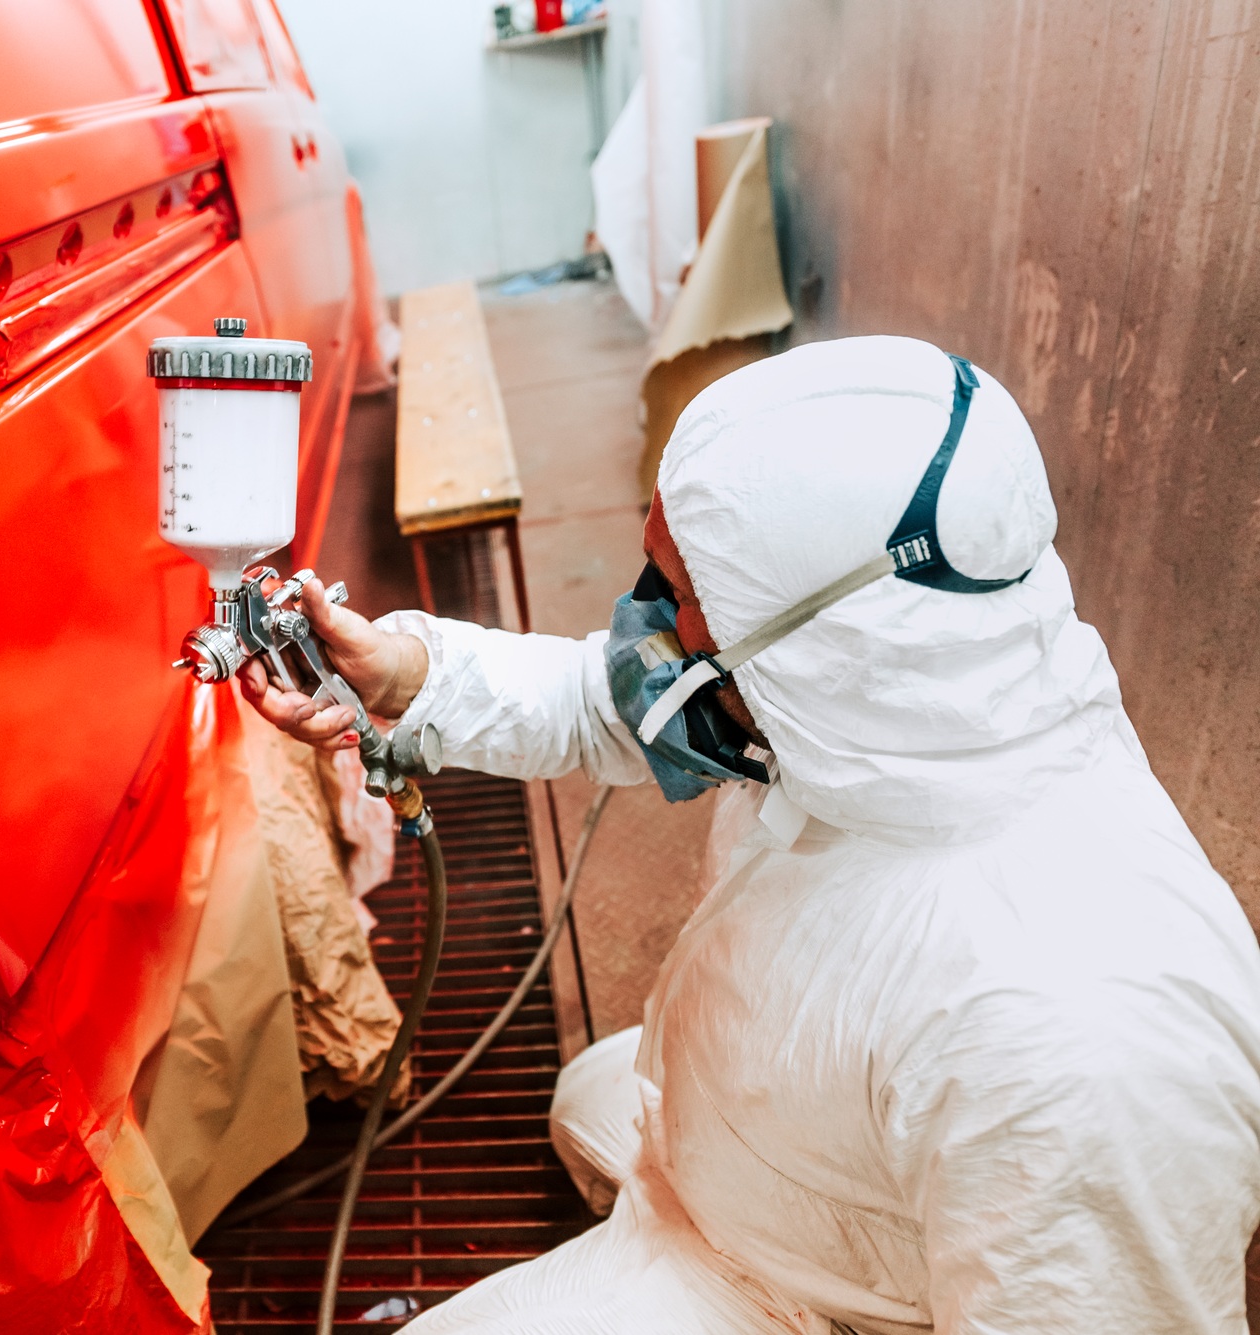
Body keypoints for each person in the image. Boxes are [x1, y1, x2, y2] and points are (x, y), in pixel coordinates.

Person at [239, 336, 1260, 1333]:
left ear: (817, 641)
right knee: (587, 1092)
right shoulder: (871, 700)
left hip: (803, 1297)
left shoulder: (1080, 1050)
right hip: (761, 1151)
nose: (646, 625)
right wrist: (408, 677)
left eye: (677, 597)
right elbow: (615, 700)